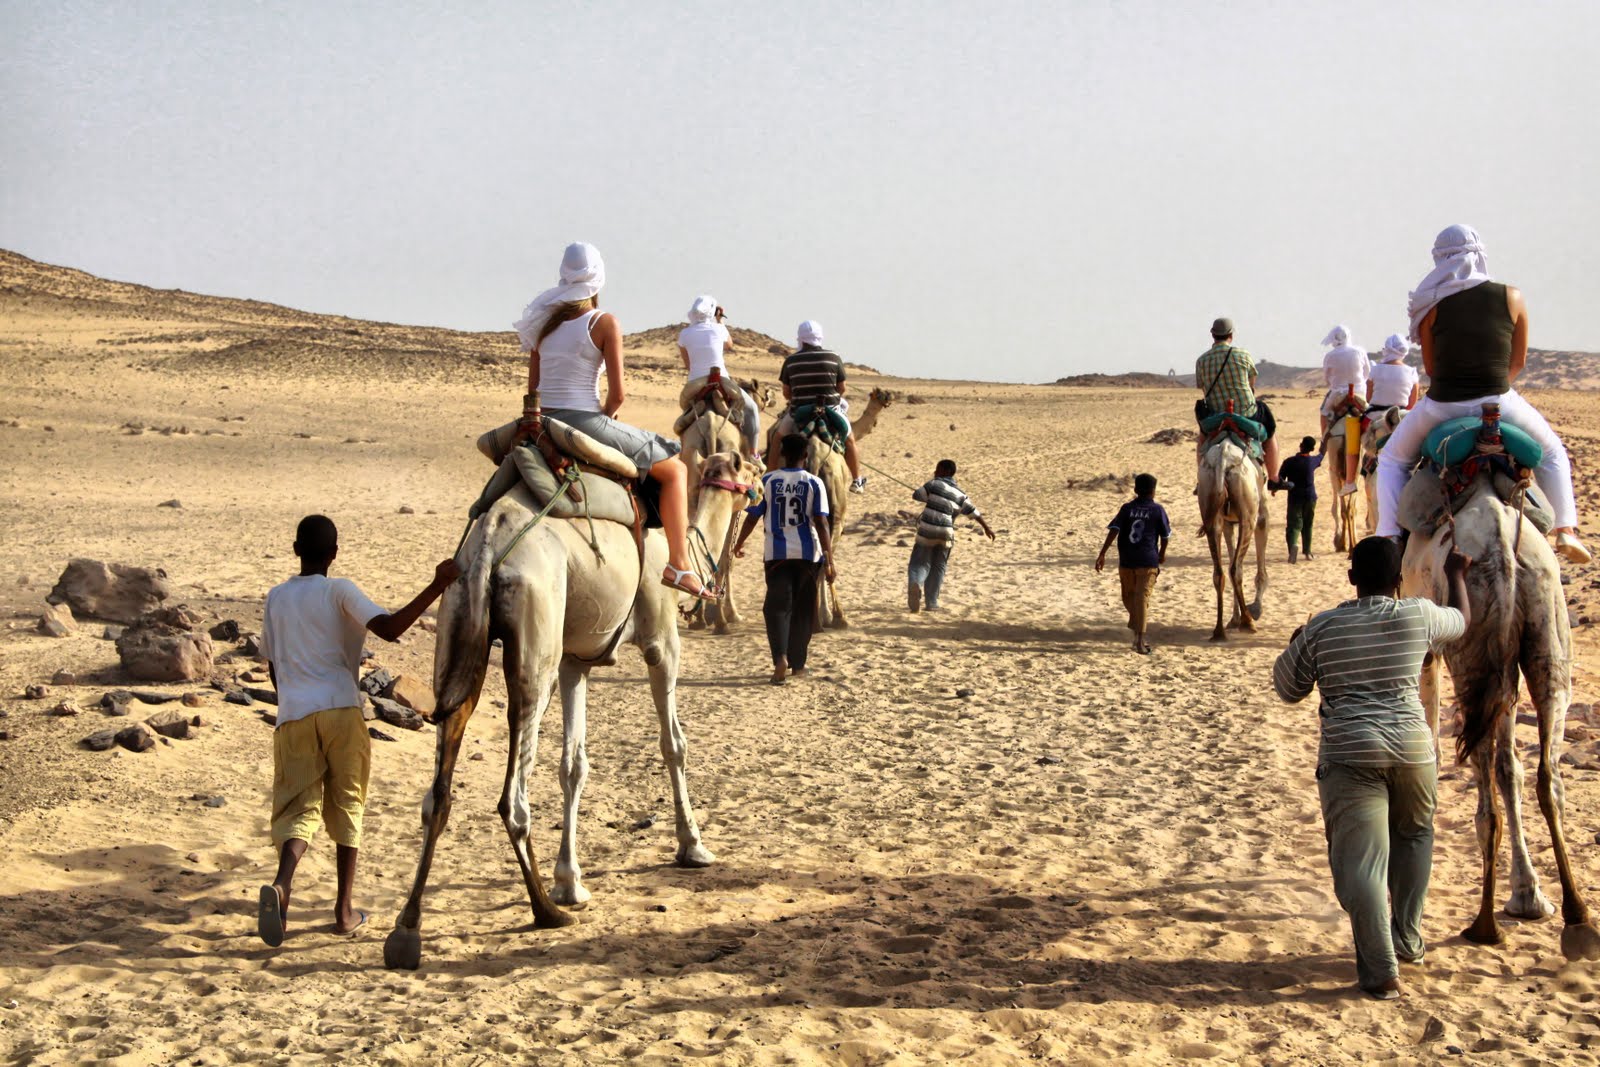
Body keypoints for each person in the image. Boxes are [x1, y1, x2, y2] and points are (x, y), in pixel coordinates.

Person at [1272, 536, 1470, 1000]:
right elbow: (1462, 621)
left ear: (1351, 578)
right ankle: (1408, 939)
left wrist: (1295, 644)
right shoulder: (1418, 615)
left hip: (1350, 755)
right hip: (1413, 753)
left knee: (1362, 862)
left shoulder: (1324, 627)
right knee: (1415, 838)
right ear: (1399, 579)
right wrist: (1457, 576)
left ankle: (1381, 969)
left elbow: (1288, 689)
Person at [257, 515, 460, 947]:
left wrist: (293, 700)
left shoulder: (276, 598)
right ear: (334, 553)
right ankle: (344, 911)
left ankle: (282, 886)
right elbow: (389, 628)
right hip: (341, 709)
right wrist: (438, 584)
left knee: (297, 808)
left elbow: (274, 666)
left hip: (293, 714)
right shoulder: (339, 590)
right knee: (348, 804)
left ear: (296, 550)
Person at [514, 242, 718, 600]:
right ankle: (679, 564)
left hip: (541, 420)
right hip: (584, 419)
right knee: (675, 470)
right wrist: (604, 420)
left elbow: (533, 389)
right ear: (598, 281)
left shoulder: (542, 326)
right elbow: (618, 395)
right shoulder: (603, 321)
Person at [1375, 225, 1589, 562]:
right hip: (1500, 402)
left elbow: (1431, 368)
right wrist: (1490, 387)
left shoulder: (1429, 305)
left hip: (1442, 406)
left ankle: (1387, 536)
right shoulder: (1512, 296)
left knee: (1391, 460)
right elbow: (1517, 361)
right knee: (1552, 453)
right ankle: (1566, 530)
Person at [731, 434, 835, 685]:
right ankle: (798, 665)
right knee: (803, 610)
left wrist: (739, 543)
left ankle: (780, 658)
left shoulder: (768, 480)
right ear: (806, 455)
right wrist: (830, 558)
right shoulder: (814, 483)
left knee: (776, 608)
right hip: (809, 556)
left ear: (781, 454)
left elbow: (753, 516)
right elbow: (821, 521)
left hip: (776, 555)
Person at [768, 320, 866, 493]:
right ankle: (857, 479)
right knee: (849, 439)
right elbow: (841, 388)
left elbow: (786, 392)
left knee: (776, 437)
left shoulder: (791, 361)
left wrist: (798, 399)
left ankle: (768, 477)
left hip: (799, 411)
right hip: (830, 410)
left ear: (801, 339)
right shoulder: (833, 357)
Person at [1194, 317, 1290, 491]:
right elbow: (1252, 382)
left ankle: (1201, 481)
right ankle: (1275, 477)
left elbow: (1202, 387)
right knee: (1269, 432)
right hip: (1246, 413)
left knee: (1202, 437)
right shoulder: (1243, 355)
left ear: (1213, 335)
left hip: (1216, 416)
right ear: (1231, 335)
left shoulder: (1201, 360)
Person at [677, 294, 761, 461]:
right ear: (712, 311)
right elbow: (729, 344)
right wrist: (720, 320)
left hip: (695, 385)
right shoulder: (719, 329)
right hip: (721, 381)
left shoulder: (684, 334)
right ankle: (753, 454)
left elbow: (688, 365)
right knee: (751, 409)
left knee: (686, 418)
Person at [906, 459, 995, 613]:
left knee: (919, 563)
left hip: (927, 530)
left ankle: (916, 583)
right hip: (946, 533)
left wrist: (928, 495)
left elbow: (917, 495)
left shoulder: (934, 484)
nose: (935, 472)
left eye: (938, 470)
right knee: (939, 567)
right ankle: (932, 603)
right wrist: (987, 528)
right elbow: (974, 513)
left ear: (946, 472)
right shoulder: (961, 494)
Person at [1095, 473, 1171, 654]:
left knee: (1135, 598)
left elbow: (1114, 530)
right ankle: (1138, 626)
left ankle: (1139, 639)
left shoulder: (1127, 508)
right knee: (1135, 599)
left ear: (1136, 490)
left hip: (1131, 560)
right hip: (1143, 560)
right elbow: (1165, 536)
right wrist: (1162, 553)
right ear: (1154, 491)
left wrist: (1102, 553)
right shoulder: (1157, 510)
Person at [1320, 325, 1371, 494]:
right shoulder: (1359, 351)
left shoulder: (1330, 355)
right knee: (1371, 415)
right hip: (1359, 394)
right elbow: (1366, 374)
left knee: (1323, 412)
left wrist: (1338, 384)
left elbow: (1326, 378)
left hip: (1337, 394)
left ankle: (1324, 441)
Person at [1279, 436, 1324, 563]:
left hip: (1295, 497)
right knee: (1308, 524)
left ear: (1301, 445)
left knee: (1293, 525)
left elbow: (1280, 479)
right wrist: (1324, 444)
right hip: (1310, 497)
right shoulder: (1312, 461)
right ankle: (1308, 552)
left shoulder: (1289, 461)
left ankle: (1293, 546)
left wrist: (1275, 489)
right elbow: (1321, 455)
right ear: (1311, 449)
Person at [1366, 334, 1420, 416]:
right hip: (1399, 418)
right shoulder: (1412, 372)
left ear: (1387, 349)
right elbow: (1411, 405)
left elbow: (1368, 398)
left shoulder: (1374, 369)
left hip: (1374, 417)